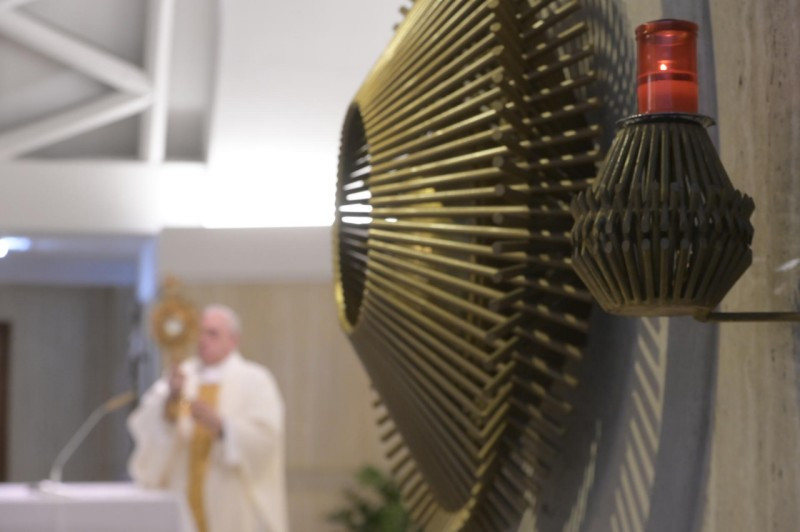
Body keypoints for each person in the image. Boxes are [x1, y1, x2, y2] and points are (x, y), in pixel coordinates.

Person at [127, 304, 288, 532]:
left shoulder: (255, 380)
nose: (203, 340)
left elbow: (266, 439)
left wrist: (222, 427)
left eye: (213, 333)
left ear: (233, 340)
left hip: (232, 501)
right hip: (183, 493)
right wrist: (170, 404)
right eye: (201, 333)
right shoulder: (180, 377)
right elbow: (146, 425)